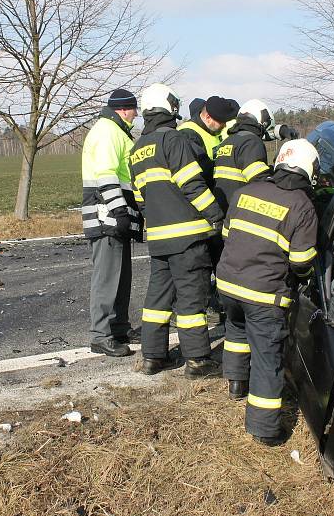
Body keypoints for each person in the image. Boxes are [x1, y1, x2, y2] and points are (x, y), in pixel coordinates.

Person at [216, 138, 319, 446]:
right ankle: (263, 428)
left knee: (236, 332)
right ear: (310, 170)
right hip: (263, 294)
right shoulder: (302, 205)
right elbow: (301, 261)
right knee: (266, 357)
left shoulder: (245, 191)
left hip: (228, 283)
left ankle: (236, 383)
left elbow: (226, 234)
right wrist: (308, 275)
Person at [129, 83, 225, 377]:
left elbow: (141, 198)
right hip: (188, 237)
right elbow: (192, 185)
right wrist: (218, 217)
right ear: (168, 106)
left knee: (157, 300)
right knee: (191, 299)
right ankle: (197, 361)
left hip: (158, 238)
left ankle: (153, 357)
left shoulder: (136, 149)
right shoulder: (173, 139)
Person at [81, 88, 143, 357]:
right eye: (134, 109)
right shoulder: (107, 131)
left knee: (120, 276)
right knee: (107, 278)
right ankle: (101, 335)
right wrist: (119, 211)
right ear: (123, 109)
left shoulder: (116, 131)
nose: (137, 114)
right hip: (107, 216)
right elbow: (106, 174)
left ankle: (118, 327)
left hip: (115, 216)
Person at [213, 99, 276, 214]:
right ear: (262, 121)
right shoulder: (251, 141)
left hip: (223, 208)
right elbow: (258, 181)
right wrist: (275, 175)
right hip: (241, 210)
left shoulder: (228, 141)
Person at [178, 96, 239, 185]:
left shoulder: (213, 130)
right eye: (221, 122)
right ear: (208, 117)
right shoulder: (188, 134)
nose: (225, 126)